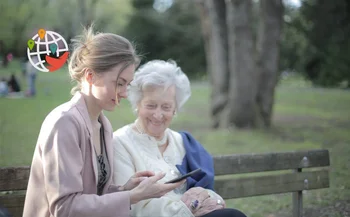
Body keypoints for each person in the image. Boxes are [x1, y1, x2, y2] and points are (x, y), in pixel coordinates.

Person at [22, 27, 183, 217]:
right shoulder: (64, 123)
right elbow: (65, 208)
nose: (124, 93)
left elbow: (94, 196)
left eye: (127, 84)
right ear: (90, 76)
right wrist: (130, 197)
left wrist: (125, 189)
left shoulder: (102, 124)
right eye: (119, 83)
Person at [112, 60, 247, 217]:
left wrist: (208, 198)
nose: (158, 115)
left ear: (175, 109)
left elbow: (210, 194)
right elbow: (132, 207)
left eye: (166, 107)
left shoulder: (182, 142)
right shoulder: (120, 142)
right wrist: (187, 208)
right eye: (150, 105)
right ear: (137, 104)